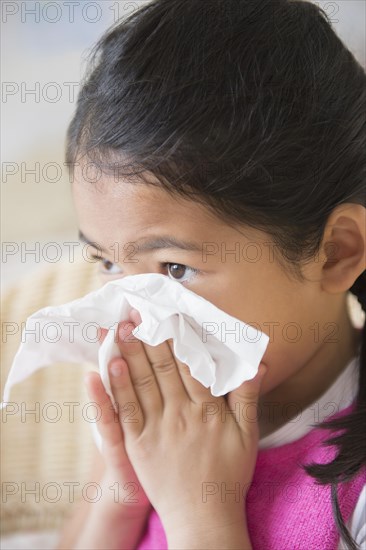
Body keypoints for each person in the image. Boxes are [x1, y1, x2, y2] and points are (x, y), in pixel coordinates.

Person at [56, 0, 366, 548]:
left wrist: (201, 512)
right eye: (107, 262)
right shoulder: (157, 414)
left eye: (174, 269)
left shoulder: (351, 494)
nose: (132, 319)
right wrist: (122, 486)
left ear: (337, 251)